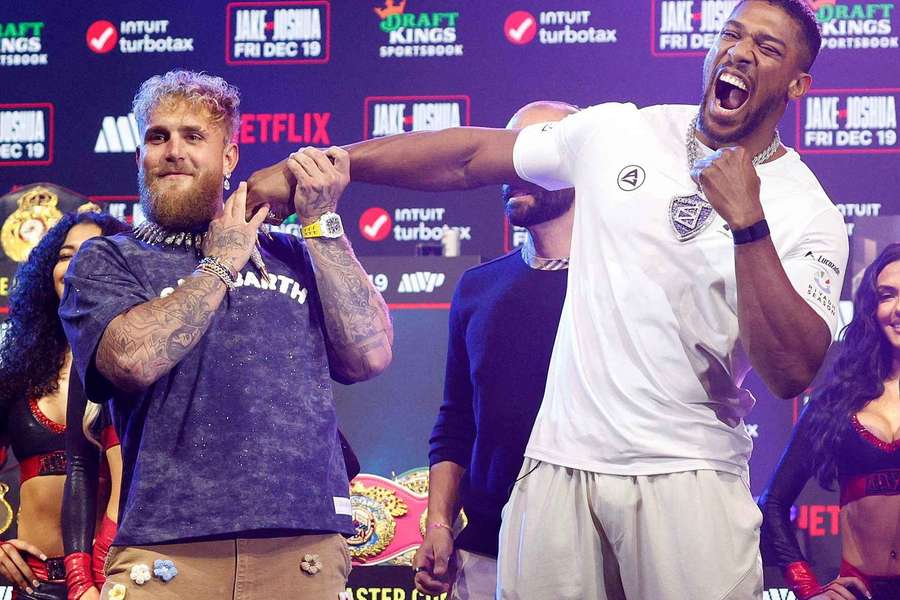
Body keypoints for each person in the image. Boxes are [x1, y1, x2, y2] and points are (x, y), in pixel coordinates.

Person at [248, 1, 848, 596]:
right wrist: (327, 166)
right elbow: (467, 158)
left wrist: (749, 224)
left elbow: (791, 370)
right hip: (558, 466)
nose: (740, 52)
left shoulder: (805, 210)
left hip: (686, 474)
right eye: (733, 35)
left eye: (767, 48)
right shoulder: (620, 131)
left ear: (799, 84)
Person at [59, 70, 393, 600]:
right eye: (157, 136)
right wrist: (220, 263)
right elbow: (132, 361)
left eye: (194, 136)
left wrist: (322, 221)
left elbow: (369, 355)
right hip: (166, 553)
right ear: (139, 158)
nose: (173, 151)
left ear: (230, 158)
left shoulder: (296, 254)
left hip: (302, 550)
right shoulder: (108, 259)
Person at [413, 101, 577, 599]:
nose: (514, 166)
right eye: (508, 152)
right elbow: (456, 420)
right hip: (486, 550)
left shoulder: (625, 285)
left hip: (594, 545)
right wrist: (440, 523)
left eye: (536, 151)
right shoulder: (477, 288)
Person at [0, 209, 130, 600]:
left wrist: (90, 580)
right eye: (64, 255)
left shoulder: (133, 364)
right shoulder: (18, 373)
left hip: (112, 582)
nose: (73, 266)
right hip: (32, 586)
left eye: (90, 253)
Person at [759, 243, 900, 600]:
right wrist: (807, 588)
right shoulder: (837, 400)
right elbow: (773, 504)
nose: (898, 309)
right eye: (887, 296)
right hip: (860, 591)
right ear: (872, 308)